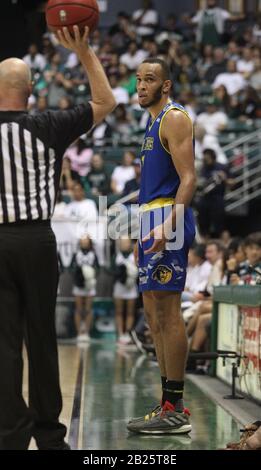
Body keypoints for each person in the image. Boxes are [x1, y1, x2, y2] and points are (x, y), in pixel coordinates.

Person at [0, 25, 116, 450]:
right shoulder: (47, 125)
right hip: (35, 240)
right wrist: (83, 51)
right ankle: (49, 436)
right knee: (42, 339)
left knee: (4, 345)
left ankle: (9, 437)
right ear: (31, 89)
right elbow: (107, 101)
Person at [127, 58, 196, 434]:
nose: (141, 86)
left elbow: (189, 178)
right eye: (138, 80)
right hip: (150, 218)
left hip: (168, 217)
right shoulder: (151, 122)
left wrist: (169, 224)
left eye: (149, 80)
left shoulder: (174, 117)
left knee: (168, 313)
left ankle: (178, 408)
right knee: (153, 317)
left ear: (166, 85)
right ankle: (167, 402)